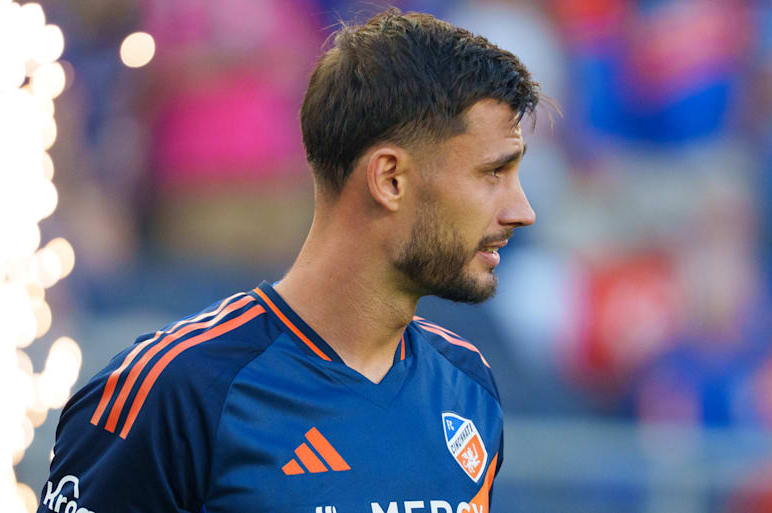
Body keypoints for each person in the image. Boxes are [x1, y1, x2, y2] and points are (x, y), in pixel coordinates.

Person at [37, 8, 540, 513]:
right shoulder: (171, 394)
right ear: (390, 179)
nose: (522, 211)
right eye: (493, 173)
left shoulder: (467, 385)